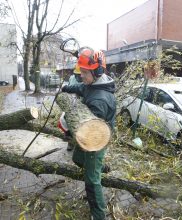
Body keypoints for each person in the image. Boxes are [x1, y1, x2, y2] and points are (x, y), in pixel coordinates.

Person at [61, 47, 116, 220]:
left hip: (95, 140)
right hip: (89, 136)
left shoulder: (100, 99)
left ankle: (99, 215)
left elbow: (89, 131)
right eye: (81, 72)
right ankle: (101, 168)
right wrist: (66, 88)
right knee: (77, 158)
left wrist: (68, 128)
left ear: (97, 71)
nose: (81, 76)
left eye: (84, 72)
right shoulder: (92, 83)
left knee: (91, 181)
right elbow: (81, 87)